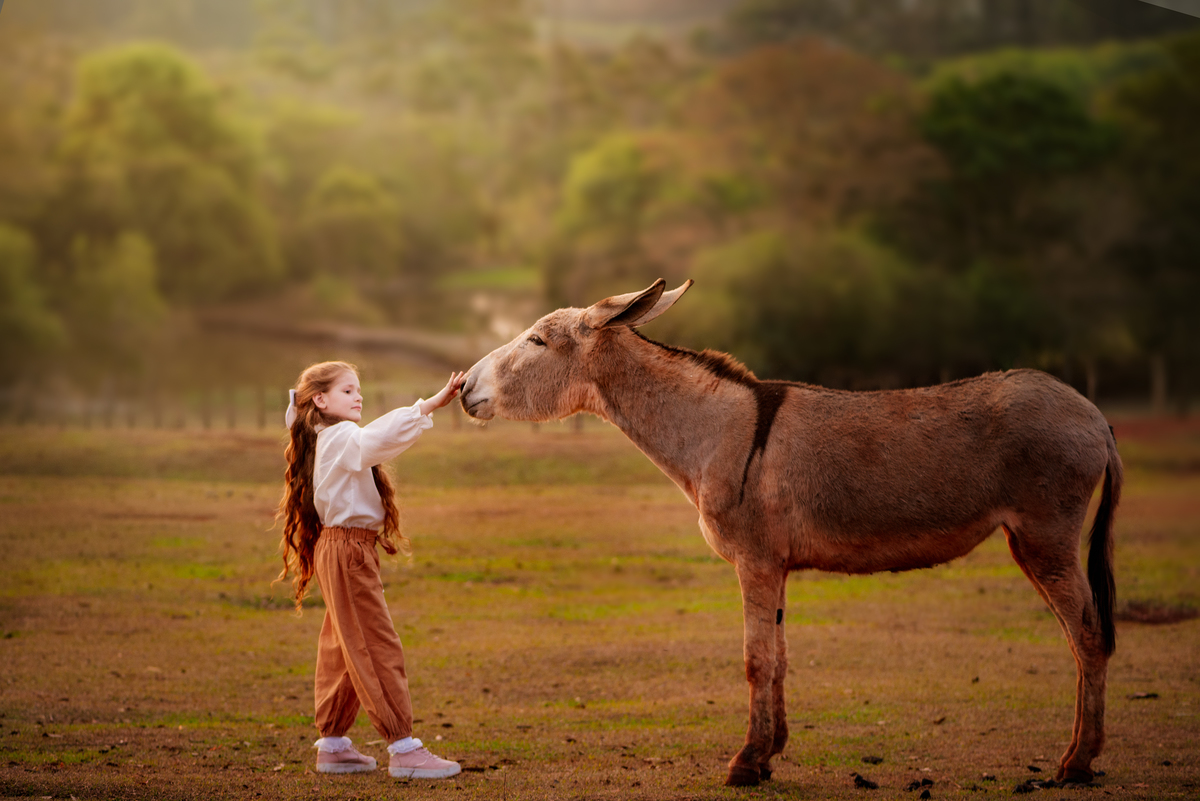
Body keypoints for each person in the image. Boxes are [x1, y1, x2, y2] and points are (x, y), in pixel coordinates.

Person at [276, 360, 465, 779]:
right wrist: (428, 406)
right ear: (321, 400)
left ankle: (334, 744)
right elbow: (375, 440)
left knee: (344, 645)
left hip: (342, 548)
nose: (358, 396)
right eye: (347, 390)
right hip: (346, 550)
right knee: (375, 642)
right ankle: (403, 748)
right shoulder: (342, 436)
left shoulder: (329, 437)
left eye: (358, 389)